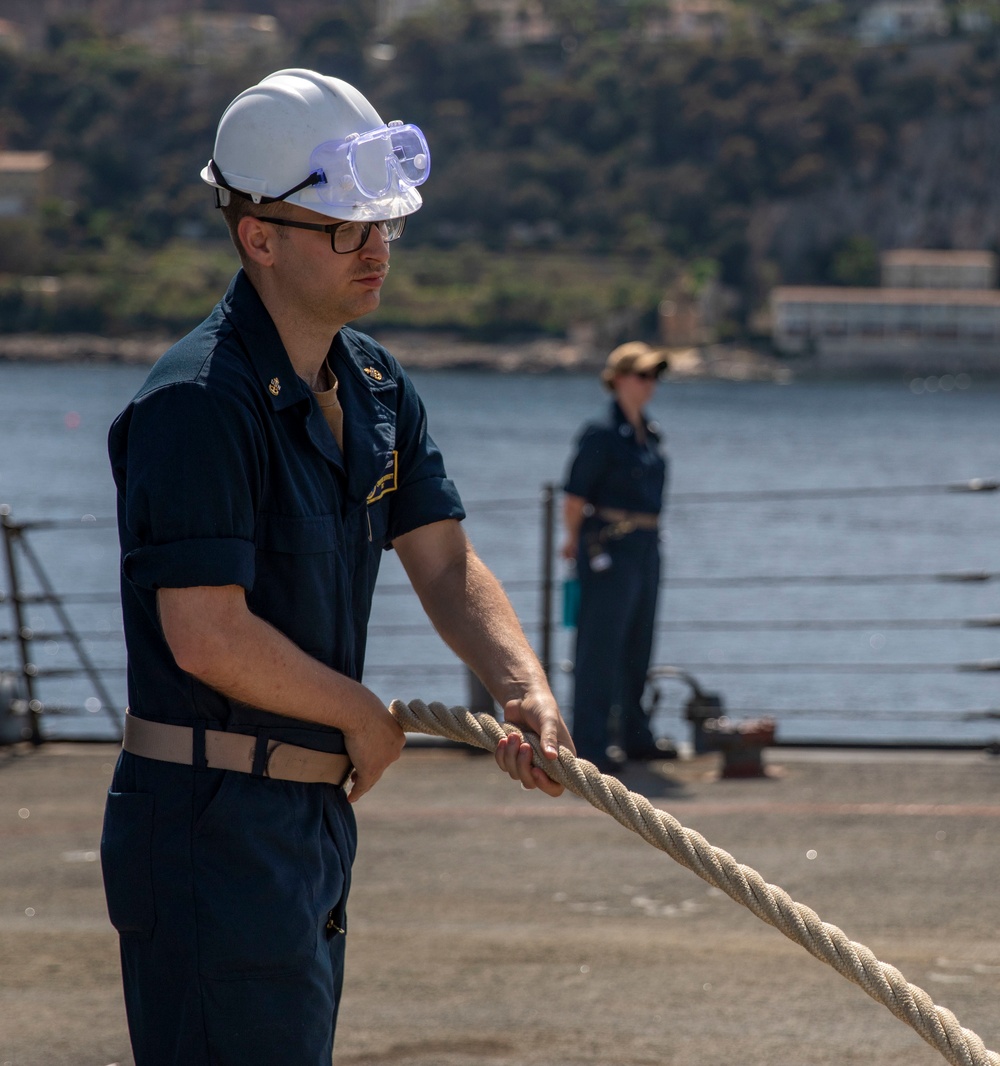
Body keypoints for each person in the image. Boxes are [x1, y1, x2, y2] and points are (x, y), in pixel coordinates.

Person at [100, 68, 573, 1066]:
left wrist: (520, 684)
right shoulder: (196, 404)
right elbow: (204, 630)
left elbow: (445, 563)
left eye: (385, 226)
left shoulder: (373, 384)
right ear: (257, 235)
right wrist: (361, 714)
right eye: (345, 228)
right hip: (208, 826)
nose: (375, 248)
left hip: (304, 821)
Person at [561, 341, 669, 773]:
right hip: (609, 545)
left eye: (654, 377)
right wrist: (572, 541)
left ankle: (634, 735)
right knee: (600, 646)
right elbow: (574, 497)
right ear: (618, 378)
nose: (649, 385)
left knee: (639, 643)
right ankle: (590, 741)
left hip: (645, 548)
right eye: (642, 375)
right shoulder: (601, 433)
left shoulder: (651, 432)